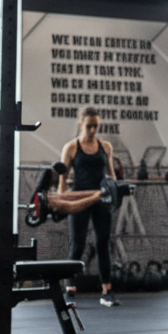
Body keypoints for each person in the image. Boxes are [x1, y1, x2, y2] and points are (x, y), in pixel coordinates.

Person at [59, 107, 119, 307]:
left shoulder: (105, 147)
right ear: (80, 124)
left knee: (103, 243)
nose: (93, 130)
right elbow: (62, 182)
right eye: (89, 126)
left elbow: (111, 176)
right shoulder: (71, 148)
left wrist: (114, 193)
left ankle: (107, 290)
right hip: (80, 200)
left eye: (96, 126)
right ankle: (70, 289)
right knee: (78, 245)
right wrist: (62, 203)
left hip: (101, 199)